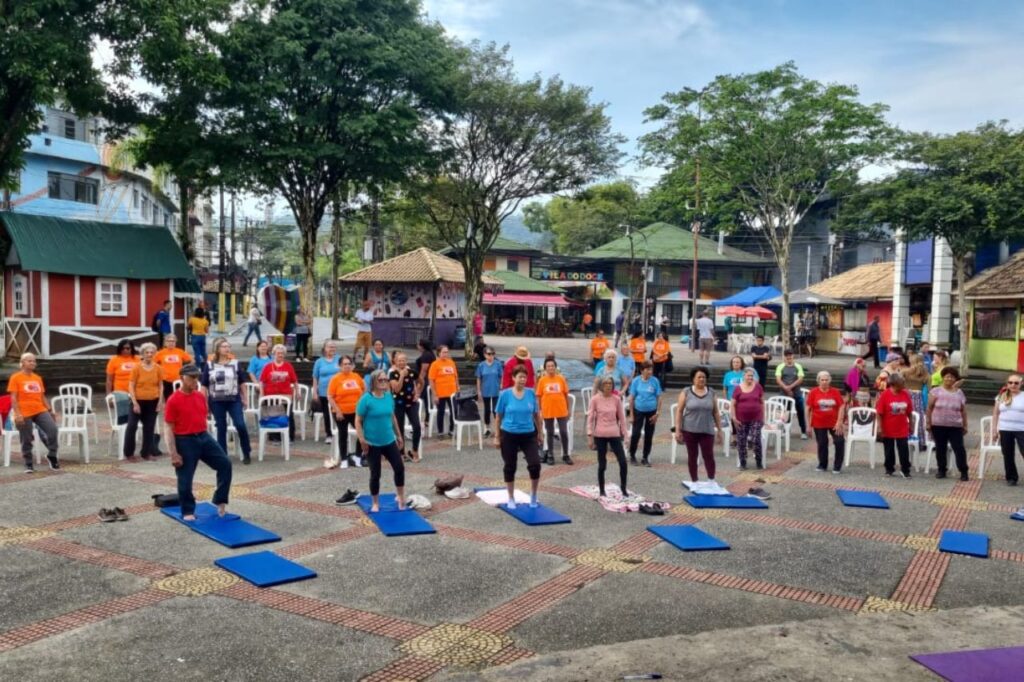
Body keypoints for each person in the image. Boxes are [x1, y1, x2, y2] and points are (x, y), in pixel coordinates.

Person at [163, 363, 232, 521]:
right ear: (182, 378)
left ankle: (220, 501)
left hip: (203, 436)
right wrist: (173, 453)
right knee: (185, 478)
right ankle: (188, 510)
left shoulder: (200, 396)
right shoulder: (173, 400)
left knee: (225, 464)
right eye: (192, 377)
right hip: (184, 439)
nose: (195, 380)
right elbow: (168, 428)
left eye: (197, 377)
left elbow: (203, 416)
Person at [354, 369, 406, 512]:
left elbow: (392, 417)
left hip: (389, 440)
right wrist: (362, 440)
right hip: (372, 442)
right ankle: (375, 502)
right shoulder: (366, 399)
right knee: (375, 473)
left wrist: (399, 435)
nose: (384, 382)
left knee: (399, 468)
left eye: (386, 380)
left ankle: (400, 496)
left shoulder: (389, 396)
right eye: (381, 380)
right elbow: (358, 420)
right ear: (374, 382)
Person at [494, 365, 543, 509]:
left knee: (535, 465)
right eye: (520, 377)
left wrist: (540, 433)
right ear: (513, 378)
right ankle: (510, 497)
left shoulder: (530, 394)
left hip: (528, 434)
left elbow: (536, 415)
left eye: (524, 377)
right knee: (510, 466)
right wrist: (497, 436)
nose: (522, 380)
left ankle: (533, 494)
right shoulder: (505, 394)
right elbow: (498, 416)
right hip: (509, 434)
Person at [201, 338, 252, 464]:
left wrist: (245, 398)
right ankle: (223, 455)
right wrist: (204, 403)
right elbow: (204, 385)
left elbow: (242, 382)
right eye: (224, 346)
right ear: (218, 349)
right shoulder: (209, 365)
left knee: (240, 424)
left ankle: (246, 451)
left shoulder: (235, 363)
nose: (227, 348)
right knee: (221, 427)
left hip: (234, 399)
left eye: (228, 346)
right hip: (216, 400)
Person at [7, 353, 60, 472]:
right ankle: (28, 463)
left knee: (53, 430)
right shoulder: (16, 377)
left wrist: (50, 410)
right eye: (29, 361)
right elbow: (13, 398)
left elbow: (42, 396)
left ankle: (52, 454)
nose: (32, 363)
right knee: (26, 438)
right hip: (24, 412)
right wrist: (17, 414)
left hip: (39, 409)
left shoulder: (37, 378)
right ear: (22, 363)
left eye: (34, 361)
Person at [674, 366, 721, 482]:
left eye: (704, 377)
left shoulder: (711, 392)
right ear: (693, 379)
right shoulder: (686, 392)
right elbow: (679, 411)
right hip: (689, 430)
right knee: (692, 456)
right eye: (699, 377)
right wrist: (677, 430)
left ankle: (711, 479)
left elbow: (715, 412)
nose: (702, 379)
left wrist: (719, 430)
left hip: (707, 430)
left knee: (709, 456)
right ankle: (694, 480)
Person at [588, 375, 629, 498]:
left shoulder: (616, 399)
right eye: (605, 384)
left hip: (614, 433)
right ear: (601, 385)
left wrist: (626, 435)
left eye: (610, 384)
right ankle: (602, 489)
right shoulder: (595, 399)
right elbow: (590, 418)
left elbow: (622, 418)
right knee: (602, 464)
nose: (608, 386)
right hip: (600, 434)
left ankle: (623, 488)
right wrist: (590, 435)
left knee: (623, 462)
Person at [926, 366, 969, 480]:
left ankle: (964, 471)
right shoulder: (935, 391)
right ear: (943, 378)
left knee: (959, 448)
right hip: (938, 425)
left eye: (952, 377)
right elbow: (929, 408)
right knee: (940, 448)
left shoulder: (959, 393)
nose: (949, 379)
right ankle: (941, 470)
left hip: (955, 425)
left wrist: (965, 425)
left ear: (955, 379)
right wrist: (928, 423)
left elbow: (963, 410)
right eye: (947, 376)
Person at [126, 342, 164, 461]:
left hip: (153, 401)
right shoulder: (137, 368)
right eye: (147, 352)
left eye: (152, 352)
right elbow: (131, 385)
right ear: (142, 354)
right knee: (132, 426)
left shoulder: (158, 368)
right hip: (138, 401)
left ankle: (146, 453)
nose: (149, 354)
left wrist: (160, 402)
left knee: (149, 427)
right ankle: (129, 453)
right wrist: (135, 402)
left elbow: (161, 385)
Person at [328, 356, 365, 467]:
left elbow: (363, 391)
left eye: (349, 363)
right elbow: (330, 397)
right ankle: (344, 459)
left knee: (361, 433)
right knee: (343, 435)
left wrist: (361, 406)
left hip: (356, 412)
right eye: (345, 364)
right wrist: (338, 411)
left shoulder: (356, 377)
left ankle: (358, 457)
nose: (347, 366)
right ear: (340, 366)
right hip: (341, 412)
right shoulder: (335, 379)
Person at [806, 371, 846, 474]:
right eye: (822, 380)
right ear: (818, 381)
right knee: (822, 444)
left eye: (826, 380)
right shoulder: (813, 392)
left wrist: (839, 421)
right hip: (818, 422)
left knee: (839, 441)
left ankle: (837, 466)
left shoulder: (835, 392)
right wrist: (808, 426)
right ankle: (822, 464)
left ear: (829, 381)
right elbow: (807, 409)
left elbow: (842, 406)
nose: (824, 382)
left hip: (834, 422)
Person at [875, 372, 913, 478]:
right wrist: (879, 427)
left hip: (902, 427)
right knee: (889, 449)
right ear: (894, 383)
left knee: (904, 449)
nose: (904, 382)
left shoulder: (905, 394)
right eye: (902, 381)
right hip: (888, 427)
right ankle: (889, 469)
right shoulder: (885, 395)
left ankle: (905, 470)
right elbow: (879, 413)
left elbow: (909, 411)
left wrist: (911, 424)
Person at [536, 358, 572, 466]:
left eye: (552, 366)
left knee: (564, 432)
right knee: (550, 432)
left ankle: (566, 454)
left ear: (555, 367)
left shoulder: (561, 379)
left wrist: (568, 409)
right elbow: (539, 396)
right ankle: (550, 454)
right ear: (545, 368)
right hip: (548, 410)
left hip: (561, 410)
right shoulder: (542, 380)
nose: (551, 368)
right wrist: (540, 410)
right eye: (548, 366)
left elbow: (566, 395)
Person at [259, 344, 298, 442]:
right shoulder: (267, 366)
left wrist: (297, 392)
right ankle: (274, 437)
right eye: (278, 353)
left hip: (285, 396)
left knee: (288, 415)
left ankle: (289, 436)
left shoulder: (288, 366)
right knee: (273, 415)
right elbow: (261, 382)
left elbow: (294, 380)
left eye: (282, 353)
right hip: (271, 396)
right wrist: (261, 394)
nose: (280, 355)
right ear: (274, 354)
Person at [628, 361, 663, 467]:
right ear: (642, 370)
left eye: (651, 369)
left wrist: (657, 413)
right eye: (647, 369)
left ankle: (645, 457)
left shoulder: (655, 381)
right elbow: (631, 398)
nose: (650, 371)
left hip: (651, 411)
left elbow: (659, 397)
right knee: (635, 433)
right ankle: (632, 455)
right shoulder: (636, 381)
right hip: (638, 410)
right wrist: (631, 415)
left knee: (649, 435)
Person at [993, 373, 1024, 486]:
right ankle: (1011, 477)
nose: (1013, 385)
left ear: (1021, 384)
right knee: (1008, 454)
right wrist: (994, 431)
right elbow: (996, 414)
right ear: (1007, 384)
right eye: (1010, 382)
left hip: (1022, 429)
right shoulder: (1002, 396)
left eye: (1016, 383)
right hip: (1005, 429)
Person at [390, 352, 421, 462]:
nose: (402, 362)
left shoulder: (412, 372)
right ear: (395, 362)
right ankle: (401, 452)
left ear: (406, 361)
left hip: (411, 403)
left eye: (403, 360)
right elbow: (396, 389)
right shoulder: (393, 374)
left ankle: (414, 450)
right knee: (399, 428)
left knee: (417, 426)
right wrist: (402, 376)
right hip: (398, 404)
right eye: (399, 360)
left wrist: (417, 393)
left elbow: (420, 381)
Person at [730, 367, 764, 469]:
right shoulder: (738, 388)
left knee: (756, 439)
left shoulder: (758, 387)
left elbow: (762, 402)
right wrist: (734, 417)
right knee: (741, 441)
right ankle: (743, 462)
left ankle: (759, 460)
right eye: (748, 375)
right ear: (743, 376)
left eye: (752, 376)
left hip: (756, 418)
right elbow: (733, 404)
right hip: (741, 419)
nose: (750, 377)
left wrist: (764, 417)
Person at [311, 341, 341, 445]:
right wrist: (315, 392)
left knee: (339, 413)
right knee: (327, 414)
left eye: (334, 347)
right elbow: (315, 377)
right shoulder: (319, 362)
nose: (332, 349)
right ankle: (329, 434)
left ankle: (341, 433)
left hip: (338, 392)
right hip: (324, 392)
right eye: (329, 347)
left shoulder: (339, 359)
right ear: (324, 348)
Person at [775, 350, 809, 440]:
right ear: (784, 357)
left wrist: (790, 387)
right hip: (783, 394)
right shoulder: (780, 366)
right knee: (784, 412)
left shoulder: (798, 366)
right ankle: (784, 430)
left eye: (790, 355)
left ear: (793, 356)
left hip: (797, 393)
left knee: (800, 412)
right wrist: (786, 388)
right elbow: (778, 379)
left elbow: (800, 379)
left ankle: (803, 431)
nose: (789, 357)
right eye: (787, 356)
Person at [428, 345, 459, 436]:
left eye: (447, 352)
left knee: (454, 410)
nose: (446, 354)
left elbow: (455, 376)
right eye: (443, 352)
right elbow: (431, 380)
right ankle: (440, 431)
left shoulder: (451, 362)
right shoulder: (435, 364)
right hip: (440, 393)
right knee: (440, 412)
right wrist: (434, 394)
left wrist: (458, 387)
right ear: (438, 353)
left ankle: (451, 430)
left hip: (452, 392)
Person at [106, 339, 139, 426]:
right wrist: (109, 396)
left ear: (132, 349)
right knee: (125, 417)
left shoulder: (138, 359)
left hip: (136, 392)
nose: (125, 350)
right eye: (123, 348)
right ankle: (123, 428)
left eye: (128, 348)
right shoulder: (114, 360)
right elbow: (109, 380)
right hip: (120, 392)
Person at [475, 346, 503, 438]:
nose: (491, 356)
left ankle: (497, 429)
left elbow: (501, 376)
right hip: (485, 390)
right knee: (487, 410)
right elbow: (479, 379)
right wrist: (478, 391)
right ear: (484, 355)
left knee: (496, 410)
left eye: (492, 354)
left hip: (496, 390)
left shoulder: (498, 364)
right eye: (489, 354)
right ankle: (487, 428)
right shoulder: (481, 365)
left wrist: (501, 386)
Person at [154, 335, 192, 400]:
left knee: (179, 399)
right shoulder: (160, 353)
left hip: (178, 380)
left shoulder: (180, 352)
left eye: (173, 341)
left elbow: (190, 361)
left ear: (175, 342)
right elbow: (153, 363)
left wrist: (185, 371)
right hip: (165, 380)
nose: (171, 343)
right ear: (165, 342)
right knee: (168, 400)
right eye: (169, 341)